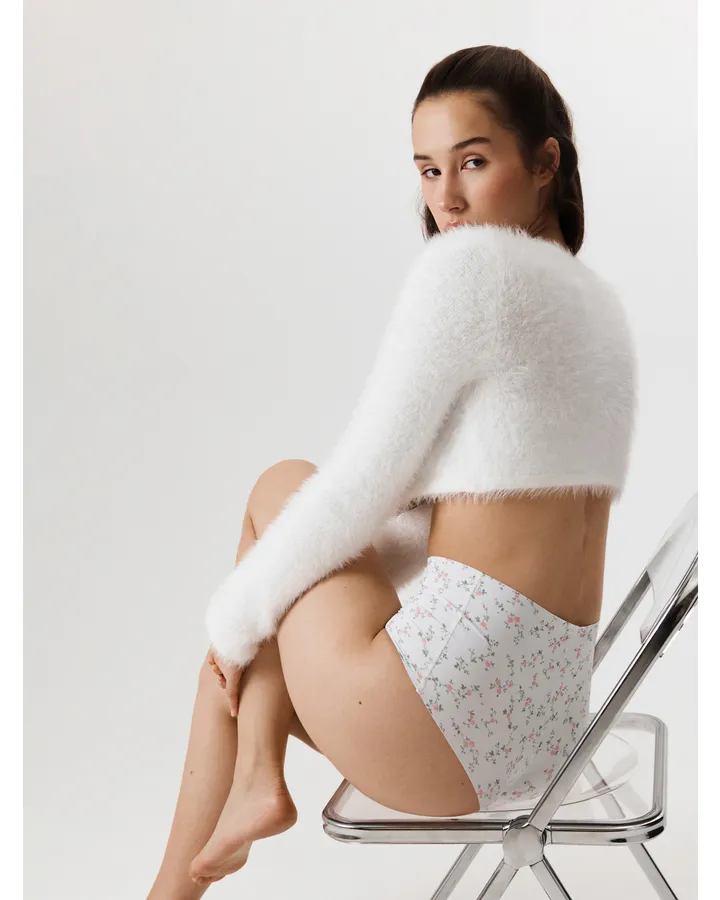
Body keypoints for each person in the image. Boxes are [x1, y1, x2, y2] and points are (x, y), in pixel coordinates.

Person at [148, 44, 637, 895]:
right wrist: (275, 605)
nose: (446, 198)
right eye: (427, 170)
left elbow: (355, 490)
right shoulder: (597, 312)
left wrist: (231, 624)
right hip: (549, 732)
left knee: (280, 489)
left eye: (473, 162)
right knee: (282, 571)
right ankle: (256, 775)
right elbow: (438, 521)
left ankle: (200, 850)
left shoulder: (472, 270)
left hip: (440, 723)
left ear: (544, 162)